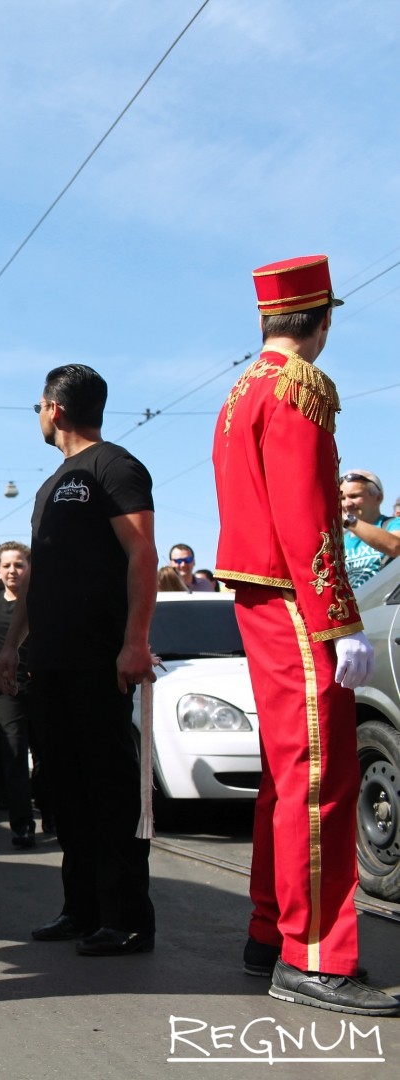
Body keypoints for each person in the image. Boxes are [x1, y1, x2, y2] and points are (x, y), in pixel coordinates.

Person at [212, 254, 400, 1016]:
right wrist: (339, 620)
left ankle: (272, 931)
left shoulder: (243, 389)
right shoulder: (300, 388)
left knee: (288, 779)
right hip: (298, 600)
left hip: (265, 599)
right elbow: (308, 513)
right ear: (322, 321)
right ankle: (315, 956)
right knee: (323, 779)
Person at [0, 363, 158, 958]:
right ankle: (82, 908)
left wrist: (135, 641)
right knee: (65, 789)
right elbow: (40, 586)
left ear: (54, 409)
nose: (38, 415)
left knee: (108, 789)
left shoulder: (114, 466)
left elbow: (142, 554)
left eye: (38, 406)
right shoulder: (48, 487)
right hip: (52, 663)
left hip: (100, 660)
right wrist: (13, 646)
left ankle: (127, 918)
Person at [0, 541, 35, 847]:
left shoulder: (40, 601)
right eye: (7, 565)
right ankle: (22, 824)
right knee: (14, 753)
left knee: (46, 756)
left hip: (39, 684)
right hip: (4, 689)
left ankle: (52, 813)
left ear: (29, 570)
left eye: (19, 565)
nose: (13, 571)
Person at [339, 470, 400, 590]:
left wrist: (346, 520)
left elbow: (396, 546)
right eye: (342, 498)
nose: (347, 504)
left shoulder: (393, 524)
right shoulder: (340, 540)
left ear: (378, 497)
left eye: (354, 496)